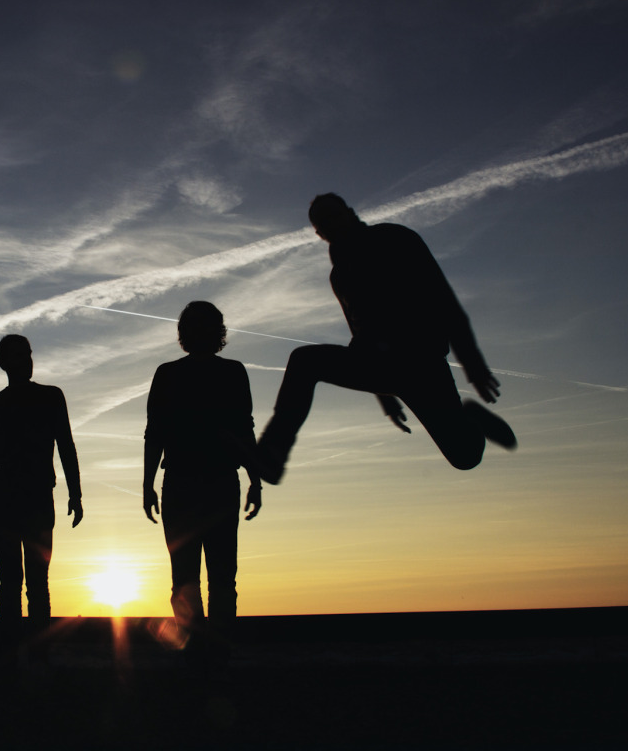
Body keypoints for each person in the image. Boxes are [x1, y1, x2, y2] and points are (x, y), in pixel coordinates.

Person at [256, 193, 516, 484]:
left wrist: (473, 364)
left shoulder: (396, 238)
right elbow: (358, 330)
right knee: (304, 361)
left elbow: (443, 300)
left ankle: (473, 419)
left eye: (334, 215)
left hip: (422, 364)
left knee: (465, 457)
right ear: (319, 234)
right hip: (375, 364)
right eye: (323, 223)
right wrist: (384, 397)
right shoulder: (339, 275)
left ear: (350, 213)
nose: (331, 224)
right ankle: (272, 453)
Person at [143, 301, 262, 668]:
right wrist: (147, 483)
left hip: (195, 484)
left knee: (203, 577)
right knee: (209, 577)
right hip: (198, 483)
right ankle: (208, 654)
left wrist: (255, 479)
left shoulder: (176, 374)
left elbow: (244, 430)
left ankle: (205, 653)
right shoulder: (225, 373)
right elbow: (156, 432)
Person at [0, 334, 83, 666]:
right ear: (5, 363)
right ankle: (11, 656)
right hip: (8, 504)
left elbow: (66, 446)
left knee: (35, 585)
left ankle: (34, 655)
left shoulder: (51, 397)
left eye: (28, 354)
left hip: (37, 502)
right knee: (12, 585)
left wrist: (76, 492)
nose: (27, 360)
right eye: (19, 356)